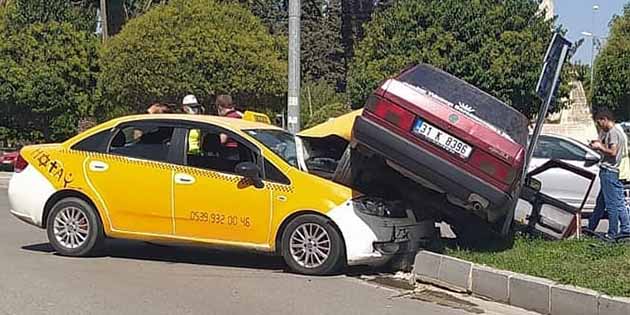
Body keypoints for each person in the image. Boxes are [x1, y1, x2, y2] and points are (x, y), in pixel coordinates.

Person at [587, 107, 630, 238]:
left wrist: (599, 147)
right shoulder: (616, 132)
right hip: (609, 172)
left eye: (599, 123)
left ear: (604, 119)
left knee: (612, 205)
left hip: (609, 171)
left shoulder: (613, 132)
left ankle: (613, 233)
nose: (599, 126)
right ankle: (591, 227)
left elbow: (613, 152)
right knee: (602, 203)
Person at [215, 95, 242, 160]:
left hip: (229, 153)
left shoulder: (227, 119)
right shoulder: (240, 116)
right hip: (242, 151)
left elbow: (223, 139)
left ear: (219, 107)